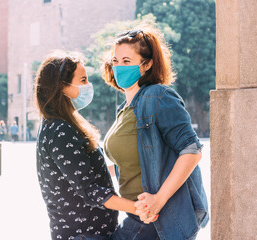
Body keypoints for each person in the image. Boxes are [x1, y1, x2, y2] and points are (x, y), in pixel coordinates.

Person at [102, 27, 209, 239]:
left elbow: (192, 151)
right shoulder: (125, 108)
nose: (119, 67)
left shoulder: (158, 96)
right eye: (115, 61)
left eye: (126, 61)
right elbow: (137, 158)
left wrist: (157, 200)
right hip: (137, 213)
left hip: (158, 217)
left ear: (147, 64)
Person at [34, 52, 154, 240]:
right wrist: (139, 209)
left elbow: (80, 173)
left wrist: (125, 167)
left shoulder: (60, 124)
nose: (88, 86)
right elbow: (89, 190)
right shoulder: (60, 130)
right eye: (82, 80)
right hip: (83, 235)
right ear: (62, 87)